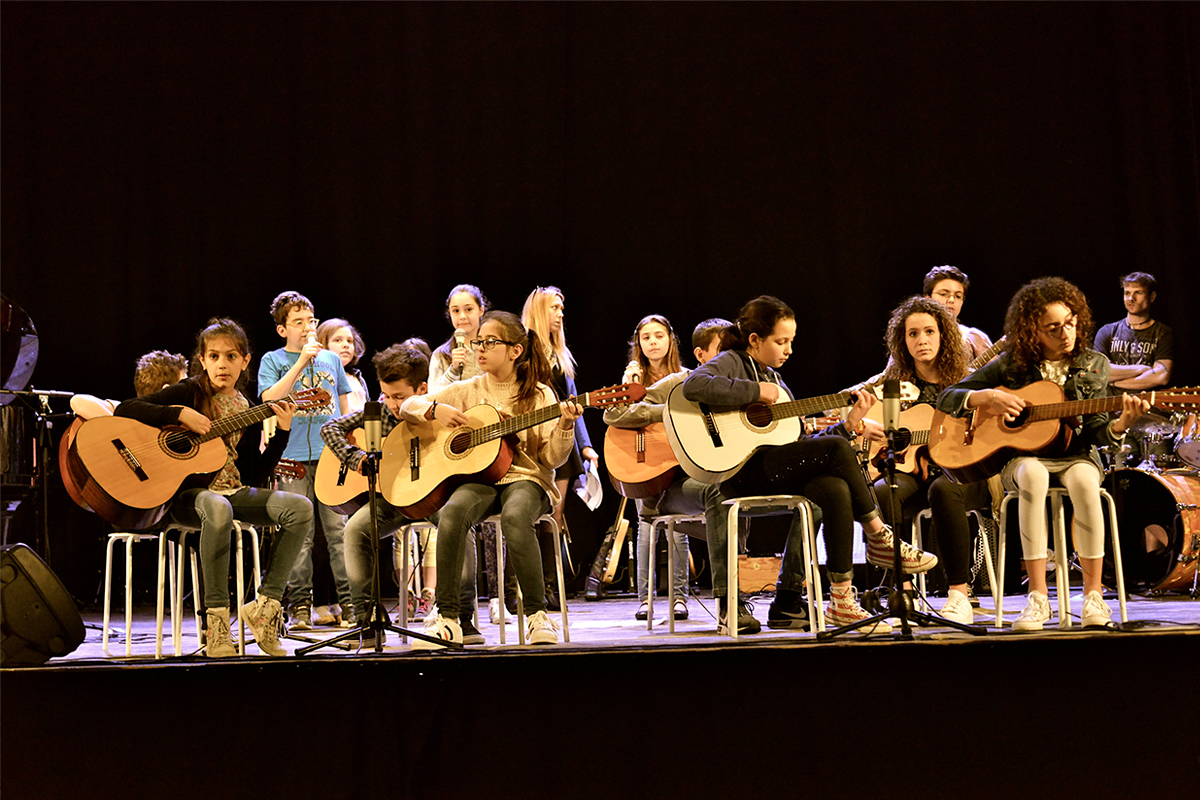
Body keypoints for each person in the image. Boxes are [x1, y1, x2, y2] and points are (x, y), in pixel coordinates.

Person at [681, 296, 938, 635]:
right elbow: (693, 384)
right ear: (755, 340)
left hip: (772, 468)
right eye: (781, 341)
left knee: (833, 487)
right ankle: (877, 533)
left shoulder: (776, 381)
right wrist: (754, 390)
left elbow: (800, 441)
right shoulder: (734, 362)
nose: (788, 349)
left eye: (791, 342)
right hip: (740, 474)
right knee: (832, 451)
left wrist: (850, 424)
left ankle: (842, 599)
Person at [937, 277, 1151, 630]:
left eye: (1070, 323)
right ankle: (1037, 597)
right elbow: (949, 396)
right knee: (1033, 477)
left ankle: (1094, 596)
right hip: (1024, 460)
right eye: (1053, 328)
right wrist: (988, 397)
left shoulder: (1093, 363)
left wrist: (1121, 423)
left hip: (1076, 455)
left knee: (1084, 480)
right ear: (1032, 330)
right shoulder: (1011, 364)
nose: (1065, 333)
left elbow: (1098, 430)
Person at [114, 318, 311, 657]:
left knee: (300, 507)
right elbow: (125, 409)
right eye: (215, 356)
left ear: (245, 361)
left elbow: (251, 472)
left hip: (232, 491)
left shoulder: (246, 407)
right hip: (185, 496)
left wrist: (282, 432)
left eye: (231, 357)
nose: (222, 364)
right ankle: (216, 622)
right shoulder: (189, 391)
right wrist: (179, 413)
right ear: (202, 360)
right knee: (218, 508)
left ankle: (265, 608)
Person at [398, 310, 583, 647]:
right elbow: (407, 405)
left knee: (515, 517)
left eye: (489, 342)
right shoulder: (466, 389)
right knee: (453, 512)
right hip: (481, 479)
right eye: (478, 342)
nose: (479, 349)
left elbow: (550, 460)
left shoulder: (540, 394)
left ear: (515, 350)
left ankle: (538, 616)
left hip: (528, 479)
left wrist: (566, 426)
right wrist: (435, 410)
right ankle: (449, 618)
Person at [320, 339, 487, 646]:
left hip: (432, 498)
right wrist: (354, 458)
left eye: (399, 396)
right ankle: (366, 621)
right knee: (355, 530)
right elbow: (329, 428)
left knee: (457, 521)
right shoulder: (379, 413)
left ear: (422, 389)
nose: (392, 404)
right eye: (386, 394)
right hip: (390, 499)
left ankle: (463, 617)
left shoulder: (438, 410)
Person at [862, 296, 992, 625]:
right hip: (915, 473)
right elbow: (882, 431)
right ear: (902, 341)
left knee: (943, 491)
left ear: (943, 335)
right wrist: (876, 432)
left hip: (962, 474)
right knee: (881, 491)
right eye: (913, 334)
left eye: (930, 332)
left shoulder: (965, 379)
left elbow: (986, 430)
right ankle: (901, 590)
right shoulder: (894, 383)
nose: (922, 340)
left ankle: (958, 594)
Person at [259, 290, 354, 631]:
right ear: (283, 329)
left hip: (330, 456)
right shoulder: (272, 360)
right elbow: (270, 397)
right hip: (292, 457)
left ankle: (351, 604)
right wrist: (300, 362)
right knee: (300, 536)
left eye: (310, 321)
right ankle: (299, 606)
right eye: (297, 322)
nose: (306, 328)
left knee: (339, 532)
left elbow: (344, 406)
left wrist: (347, 447)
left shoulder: (329, 359)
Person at [522, 286, 600, 606]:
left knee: (554, 515)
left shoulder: (561, 354)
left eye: (561, 308)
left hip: (562, 442)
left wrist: (586, 447)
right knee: (532, 514)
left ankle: (552, 587)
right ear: (540, 311)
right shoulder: (524, 349)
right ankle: (530, 588)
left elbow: (572, 405)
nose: (560, 313)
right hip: (529, 443)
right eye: (555, 307)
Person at [612, 314, 691, 621]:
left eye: (659, 335)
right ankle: (645, 599)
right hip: (644, 458)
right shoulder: (633, 379)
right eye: (646, 338)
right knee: (646, 523)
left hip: (677, 458)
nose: (653, 342)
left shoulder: (686, 377)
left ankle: (679, 598)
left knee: (677, 524)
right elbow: (620, 416)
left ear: (671, 339)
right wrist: (629, 381)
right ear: (638, 344)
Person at [1094, 271, 1174, 391]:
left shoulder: (1163, 333)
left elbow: (1161, 376)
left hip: (1147, 406)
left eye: (1138, 293)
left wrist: (1116, 383)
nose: (1131, 298)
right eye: (1127, 293)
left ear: (1152, 297)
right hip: (1110, 407)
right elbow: (1098, 372)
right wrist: (1140, 369)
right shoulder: (1107, 331)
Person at [70, 350, 188, 418]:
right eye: (182, 386)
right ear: (166, 390)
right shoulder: (129, 412)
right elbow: (78, 401)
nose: (187, 389)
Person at [924, 265, 995, 364]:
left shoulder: (974, 338)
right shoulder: (914, 335)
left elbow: (997, 376)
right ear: (928, 298)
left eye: (958, 296)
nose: (952, 300)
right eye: (944, 294)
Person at [430, 284, 489, 391]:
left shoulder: (492, 348)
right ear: (450, 313)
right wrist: (453, 370)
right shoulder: (441, 355)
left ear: (481, 310)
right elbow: (431, 398)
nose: (462, 317)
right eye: (456, 311)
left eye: (468, 309)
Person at [317, 318, 370, 412]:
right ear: (322, 344)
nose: (346, 345)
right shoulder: (319, 377)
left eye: (349, 341)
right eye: (337, 340)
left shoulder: (356, 377)